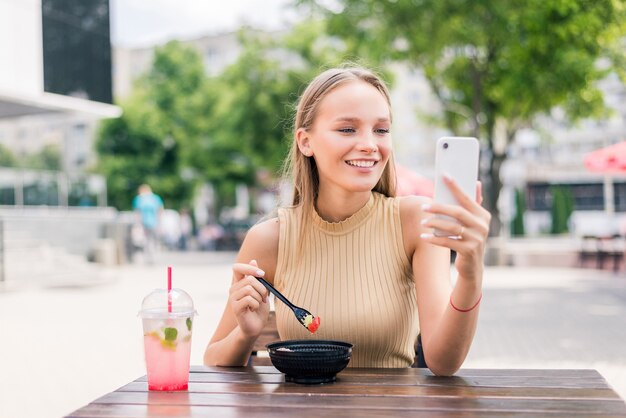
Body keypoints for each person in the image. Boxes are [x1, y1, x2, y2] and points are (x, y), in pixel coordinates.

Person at [204, 66, 491, 375]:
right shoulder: (269, 238)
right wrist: (246, 334)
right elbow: (213, 357)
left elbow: (444, 364)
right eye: (347, 129)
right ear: (305, 141)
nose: (370, 144)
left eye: (381, 130)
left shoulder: (416, 221)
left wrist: (470, 273)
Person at [132, 184, 164, 263]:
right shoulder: (156, 198)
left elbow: (136, 212)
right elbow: (160, 210)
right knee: (154, 240)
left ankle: (148, 256)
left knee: (146, 240)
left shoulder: (139, 199)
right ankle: (154, 255)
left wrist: (136, 224)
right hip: (155, 222)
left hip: (144, 223)